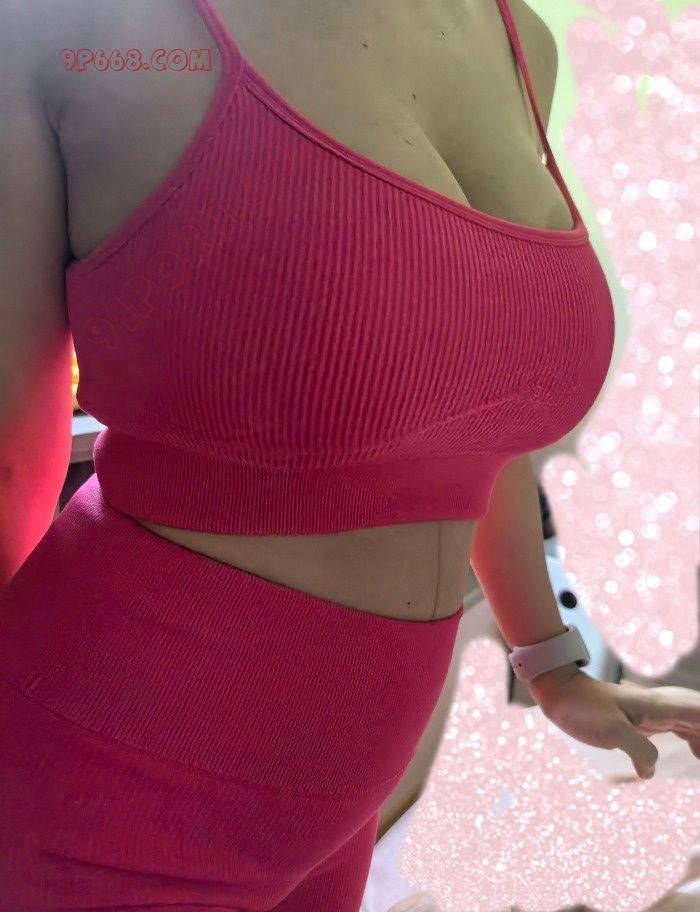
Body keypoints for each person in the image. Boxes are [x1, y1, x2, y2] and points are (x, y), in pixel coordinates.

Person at [1, 0, 698, 909]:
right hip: (103, 786)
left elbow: (471, 422)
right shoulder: (84, 31)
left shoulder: (520, 37)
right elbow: (13, 455)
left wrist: (552, 665)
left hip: (339, 814)